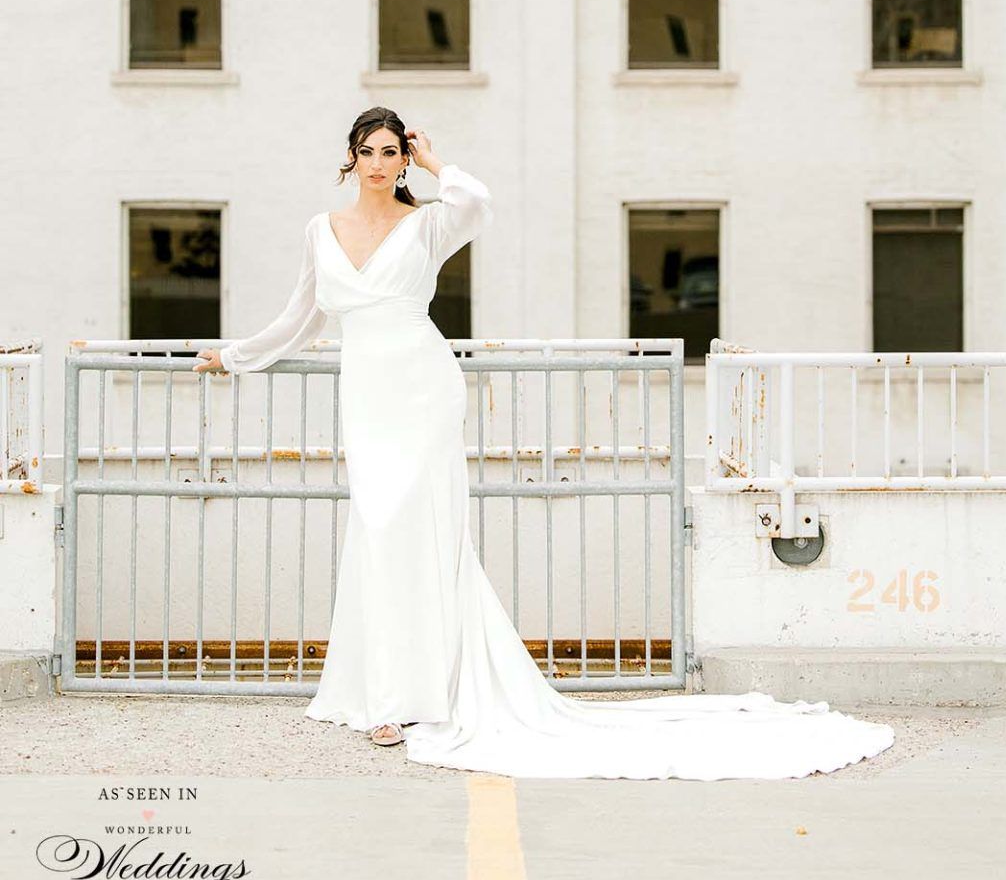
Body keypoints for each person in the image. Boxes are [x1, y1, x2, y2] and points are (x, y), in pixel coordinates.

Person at [193, 106, 894, 779]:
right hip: (367, 398)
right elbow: (300, 317)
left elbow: (476, 201)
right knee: (377, 529)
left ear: (403, 160)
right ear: (350, 159)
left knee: (421, 530)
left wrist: (436, 160)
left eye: (392, 152)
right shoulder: (322, 229)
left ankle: (406, 701)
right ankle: (382, 687)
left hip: (423, 389)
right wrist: (235, 355)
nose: (379, 164)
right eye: (368, 152)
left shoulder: (428, 222)